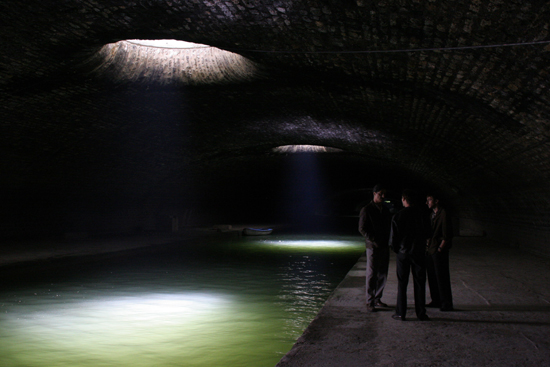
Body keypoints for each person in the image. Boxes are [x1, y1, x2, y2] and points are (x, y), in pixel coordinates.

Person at [389, 189, 431, 321]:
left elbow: (393, 239)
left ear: (404, 199)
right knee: (420, 283)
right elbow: (429, 233)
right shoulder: (423, 215)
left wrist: (399, 250)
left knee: (402, 283)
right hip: (418, 253)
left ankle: (401, 313)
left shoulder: (398, 215)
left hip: (403, 253)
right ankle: (421, 313)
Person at [358, 184, 392, 312]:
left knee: (382, 273)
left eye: (384, 194)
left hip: (384, 245)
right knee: (372, 274)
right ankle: (370, 301)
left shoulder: (385, 210)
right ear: (374, 194)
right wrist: (373, 239)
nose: (383, 196)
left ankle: (377, 298)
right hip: (373, 246)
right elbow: (362, 228)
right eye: (380, 194)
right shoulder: (366, 209)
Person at [426, 194, 454, 311]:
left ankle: (446, 303)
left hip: (438, 250)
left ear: (436, 201)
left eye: (429, 200)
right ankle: (436, 300)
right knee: (432, 276)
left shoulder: (443, 214)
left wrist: (440, 248)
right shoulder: (432, 214)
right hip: (430, 249)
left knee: (441, 277)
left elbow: (447, 234)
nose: (427, 202)